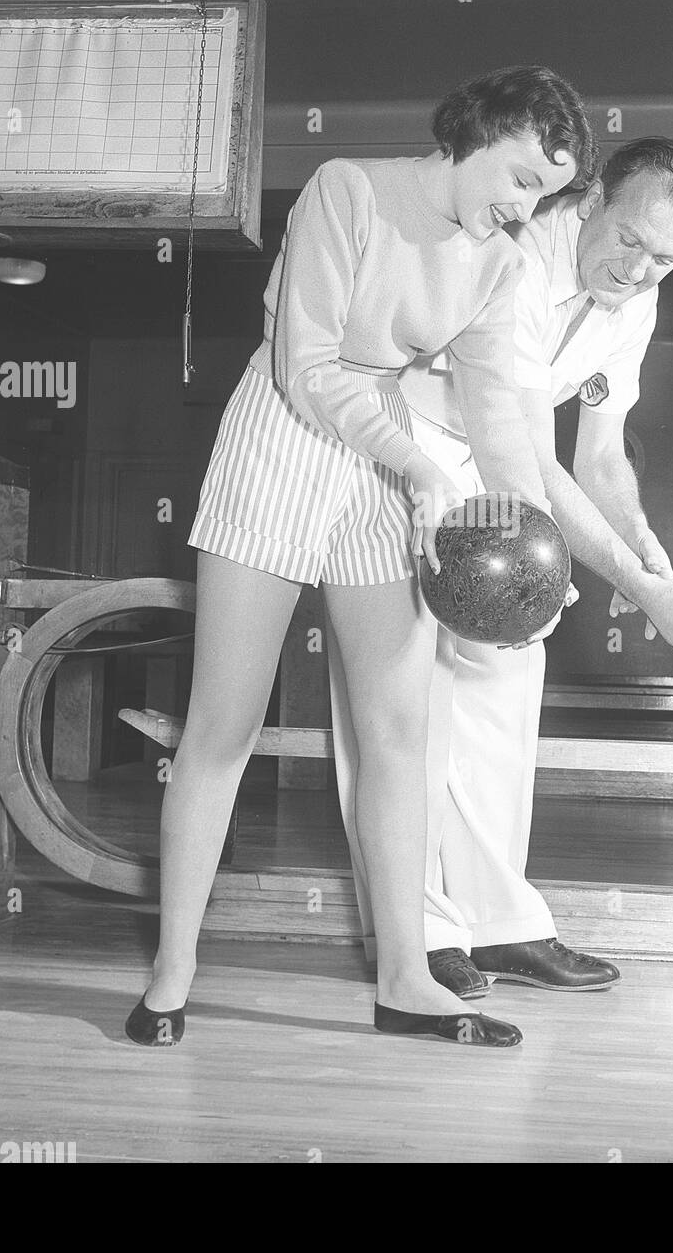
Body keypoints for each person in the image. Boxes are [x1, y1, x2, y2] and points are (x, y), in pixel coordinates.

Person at [126, 66, 595, 1048]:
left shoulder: (502, 264)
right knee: (223, 720)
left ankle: (406, 977)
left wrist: (535, 548)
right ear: (477, 132)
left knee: (399, 732)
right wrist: (422, 466)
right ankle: (172, 971)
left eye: (542, 197)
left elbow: (497, 419)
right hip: (283, 436)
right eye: (517, 179)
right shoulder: (347, 188)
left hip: (388, 459)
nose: (524, 209)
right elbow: (307, 364)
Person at [329, 137, 673, 998]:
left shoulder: (633, 302)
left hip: (499, 475)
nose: (640, 267)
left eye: (668, 257)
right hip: (402, 454)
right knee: (403, 703)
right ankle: (417, 932)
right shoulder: (516, 255)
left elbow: (598, 454)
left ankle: (499, 924)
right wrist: (633, 581)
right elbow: (527, 455)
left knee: (505, 691)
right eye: (629, 239)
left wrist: (646, 551)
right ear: (589, 203)